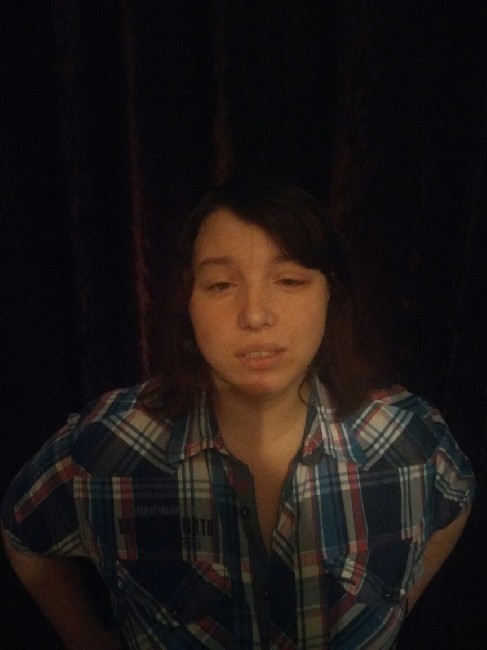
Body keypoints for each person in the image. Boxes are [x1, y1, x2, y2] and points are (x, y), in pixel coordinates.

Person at [2, 177, 475, 649]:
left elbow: (457, 498)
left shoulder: (410, 438)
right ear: (188, 302)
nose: (255, 315)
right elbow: (22, 529)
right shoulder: (107, 443)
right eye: (221, 284)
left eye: (289, 280)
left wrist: (395, 611)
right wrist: (85, 638)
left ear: (330, 294)